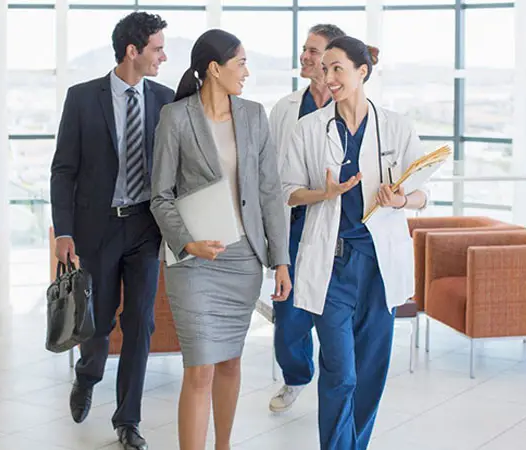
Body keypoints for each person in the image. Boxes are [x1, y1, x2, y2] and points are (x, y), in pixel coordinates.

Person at [281, 36, 430, 450]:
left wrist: (402, 199)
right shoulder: (309, 129)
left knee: (370, 371)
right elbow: (287, 190)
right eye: (324, 69)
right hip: (332, 265)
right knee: (340, 373)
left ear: (362, 71)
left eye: (336, 69)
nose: (327, 77)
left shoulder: (397, 126)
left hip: (380, 267)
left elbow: (420, 193)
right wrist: (322, 195)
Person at [150, 29, 292, 450]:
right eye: (241, 62)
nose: (246, 72)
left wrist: (280, 260)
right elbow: (159, 196)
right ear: (215, 68)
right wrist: (187, 243)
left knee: (230, 361)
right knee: (200, 369)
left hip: (243, 260)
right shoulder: (175, 118)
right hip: (194, 263)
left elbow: (269, 193)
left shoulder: (253, 115)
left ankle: (223, 446)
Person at [49, 11, 175, 450]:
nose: (163, 56)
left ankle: (128, 421)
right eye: (157, 48)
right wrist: (63, 231)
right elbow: (64, 170)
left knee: (139, 323)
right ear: (132, 51)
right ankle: (88, 376)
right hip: (97, 227)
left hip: (144, 226)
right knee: (98, 324)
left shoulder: (165, 99)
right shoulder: (83, 98)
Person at [267, 23, 345, 414]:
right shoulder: (286, 107)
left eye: (313, 51)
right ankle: (297, 376)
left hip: (333, 224)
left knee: (332, 310)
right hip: (293, 221)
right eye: (305, 49)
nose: (305, 56)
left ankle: (339, 382)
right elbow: (269, 168)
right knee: (288, 313)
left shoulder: (346, 106)